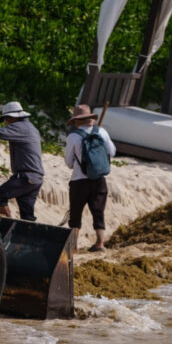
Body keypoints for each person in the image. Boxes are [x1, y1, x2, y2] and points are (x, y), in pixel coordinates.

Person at [64, 104, 116, 252]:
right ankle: (100, 243)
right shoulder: (101, 132)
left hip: (79, 181)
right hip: (99, 179)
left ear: (76, 121)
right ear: (90, 118)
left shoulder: (73, 137)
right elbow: (112, 152)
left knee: (76, 213)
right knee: (98, 211)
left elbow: (68, 163)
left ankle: (74, 246)